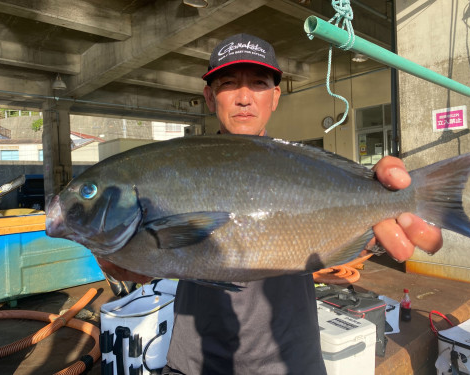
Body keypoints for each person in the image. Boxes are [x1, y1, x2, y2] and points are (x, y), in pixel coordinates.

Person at [97, 34, 442, 374]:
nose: (244, 98)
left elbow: (346, 239)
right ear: (209, 96)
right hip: (196, 360)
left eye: (259, 83)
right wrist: (128, 257)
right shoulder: (177, 166)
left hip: (291, 359)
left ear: (275, 97)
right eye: (229, 83)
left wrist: (376, 234)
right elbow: (152, 249)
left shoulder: (306, 167)